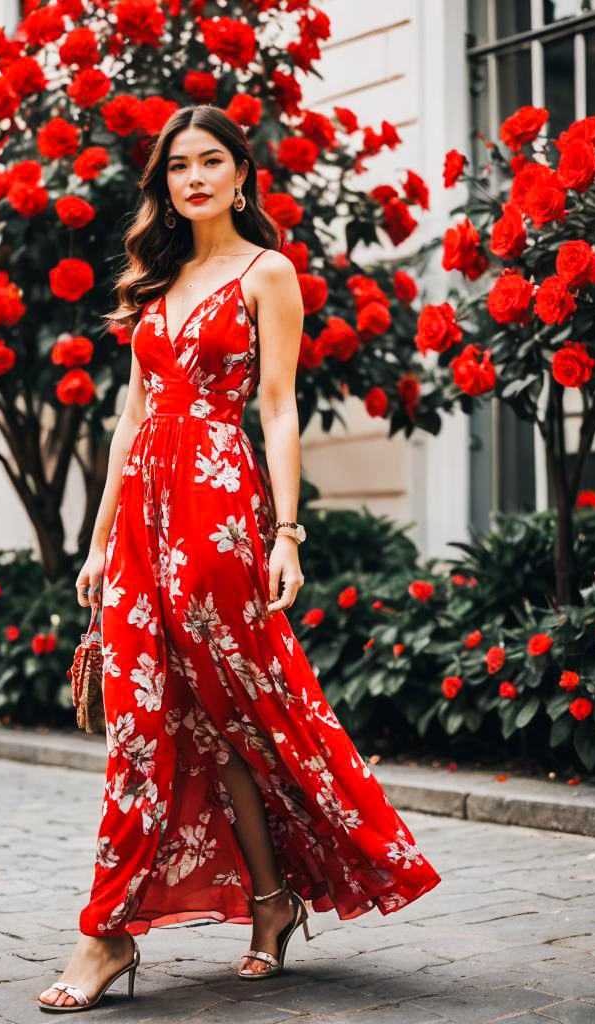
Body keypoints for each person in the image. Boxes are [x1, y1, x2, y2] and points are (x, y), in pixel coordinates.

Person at [38, 104, 441, 1013]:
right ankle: (113, 934)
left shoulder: (269, 273)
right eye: (176, 166)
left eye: (210, 161)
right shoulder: (154, 281)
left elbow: (278, 407)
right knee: (144, 723)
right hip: (143, 514)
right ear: (163, 185)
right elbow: (129, 419)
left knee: (235, 719)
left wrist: (287, 534)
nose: (193, 178)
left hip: (219, 511)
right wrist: (99, 540)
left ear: (241, 174)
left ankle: (266, 901)